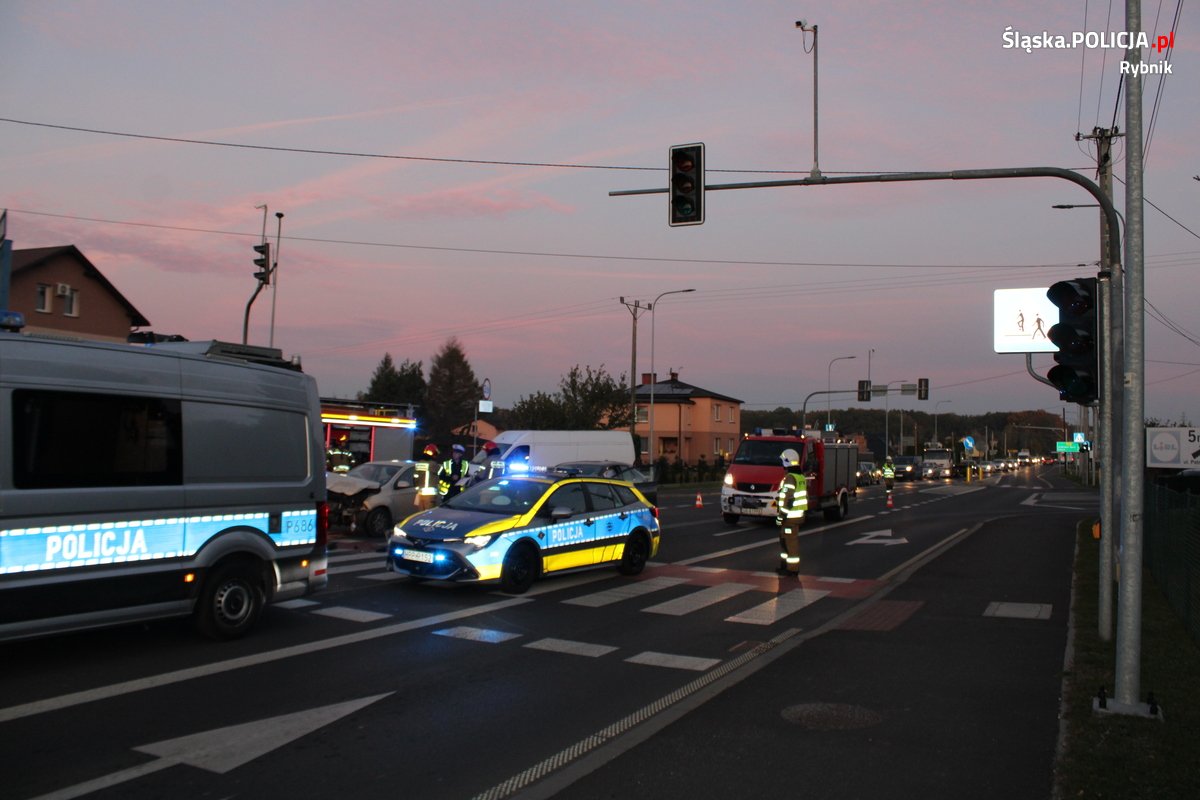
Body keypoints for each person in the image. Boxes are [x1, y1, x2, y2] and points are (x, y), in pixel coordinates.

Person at [775, 448, 807, 576]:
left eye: (783, 461)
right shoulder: (799, 476)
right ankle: (785, 566)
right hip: (796, 515)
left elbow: (789, 499)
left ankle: (792, 569)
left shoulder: (790, 477)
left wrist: (781, 516)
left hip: (790, 517)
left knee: (790, 543)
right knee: (785, 541)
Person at [413, 443, 441, 511]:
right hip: (430, 495)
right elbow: (440, 473)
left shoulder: (419, 464)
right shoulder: (433, 465)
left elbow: (415, 478)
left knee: (421, 514)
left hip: (420, 492)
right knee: (429, 514)